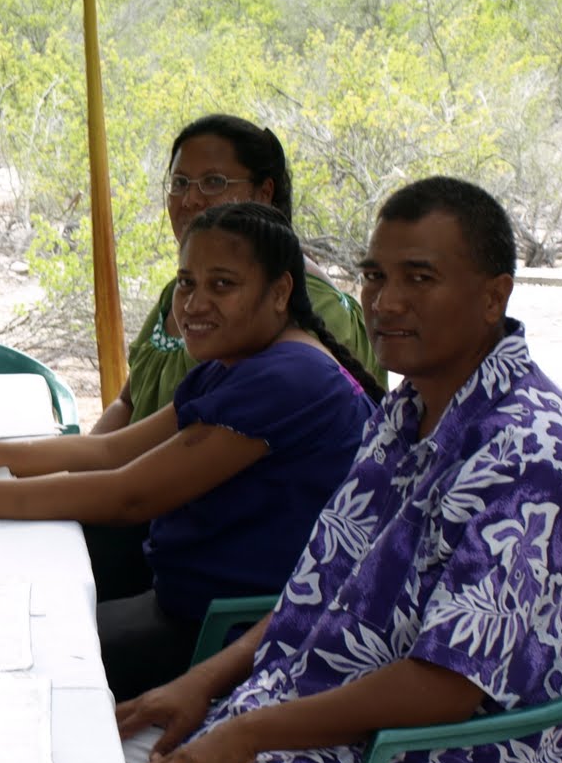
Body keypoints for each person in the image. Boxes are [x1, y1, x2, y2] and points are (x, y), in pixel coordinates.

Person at [116, 177, 562, 763]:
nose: (384, 301)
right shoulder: (412, 410)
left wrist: (246, 730)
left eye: (418, 278)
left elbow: (447, 687)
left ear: (495, 295)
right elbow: (324, 591)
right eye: (375, 275)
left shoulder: (533, 460)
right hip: (319, 711)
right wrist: (202, 685)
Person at [0, 203, 383, 699]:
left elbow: (128, 496)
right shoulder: (245, 359)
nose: (195, 304)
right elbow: (109, 450)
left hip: (225, 633)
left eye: (222, 285)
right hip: (186, 596)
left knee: (4, 654)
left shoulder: (289, 377)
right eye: (187, 284)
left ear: (280, 291)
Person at [87, 114, 383, 601]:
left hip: (220, 555)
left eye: (213, 182)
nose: (190, 198)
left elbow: (133, 489)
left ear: (264, 193)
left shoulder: (293, 324)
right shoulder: (185, 295)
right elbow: (126, 409)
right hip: (165, 524)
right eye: (179, 182)